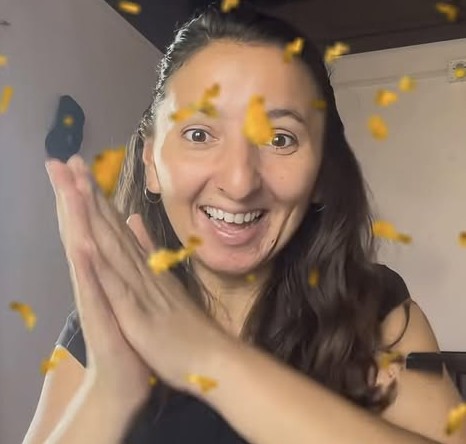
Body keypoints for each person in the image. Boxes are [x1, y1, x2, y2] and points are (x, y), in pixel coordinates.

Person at [23, 2, 465, 444]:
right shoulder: (102, 325)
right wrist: (111, 387)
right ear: (151, 162)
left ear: (320, 174)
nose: (239, 183)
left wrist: (208, 358)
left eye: (279, 139)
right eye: (199, 134)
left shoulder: (378, 311)